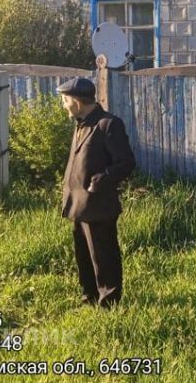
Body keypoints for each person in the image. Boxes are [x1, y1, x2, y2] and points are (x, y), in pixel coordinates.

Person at [56, 77, 136, 308]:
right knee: (83, 254)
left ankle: (108, 302)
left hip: (98, 204)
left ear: (78, 102)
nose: (64, 105)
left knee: (103, 255)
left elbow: (126, 162)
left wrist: (102, 180)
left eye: (65, 100)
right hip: (78, 203)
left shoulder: (107, 124)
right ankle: (88, 296)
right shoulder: (82, 123)